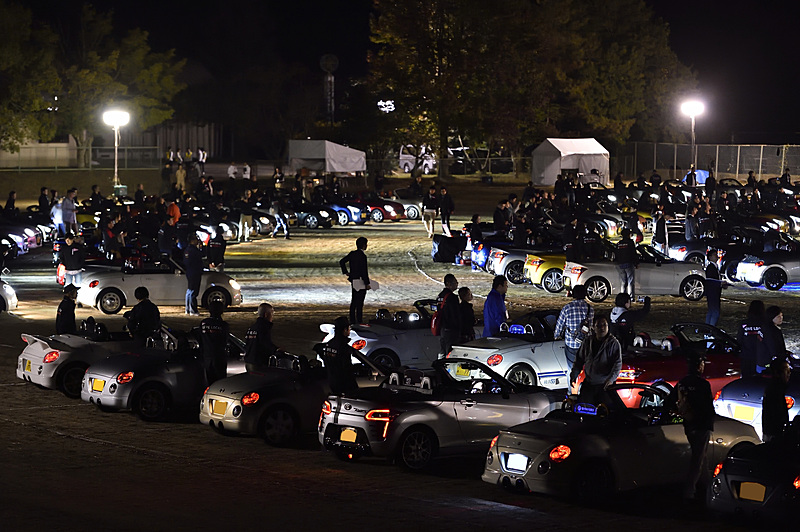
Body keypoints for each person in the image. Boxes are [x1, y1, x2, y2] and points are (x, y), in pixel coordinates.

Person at [673, 355, 715, 501]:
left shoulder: (682, 383)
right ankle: (689, 491)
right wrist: (711, 421)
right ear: (699, 366)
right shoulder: (703, 384)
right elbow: (708, 406)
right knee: (697, 459)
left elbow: (671, 401)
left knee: (702, 456)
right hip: (701, 424)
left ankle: (709, 486)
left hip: (689, 423)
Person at [569, 314, 622, 407]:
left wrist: (610, 380)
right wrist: (574, 375)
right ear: (593, 327)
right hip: (589, 384)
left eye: (604, 325)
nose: (602, 328)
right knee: (585, 410)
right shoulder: (588, 341)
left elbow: (617, 364)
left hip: (604, 386)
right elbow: (579, 360)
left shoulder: (613, 343)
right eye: (599, 325)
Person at [554, 284, 594, 372]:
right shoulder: (590, 308)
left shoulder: (567, 308)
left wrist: (556, 336)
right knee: (585, 369)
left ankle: (572, 384)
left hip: (571, 343)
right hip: (586, 343)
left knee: (571, 369)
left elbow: (559, 325)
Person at [320, 316, 359, 394]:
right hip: (344, 385)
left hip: (332, 382)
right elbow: (346, 368)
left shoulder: (329, 344)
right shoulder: (343, 347)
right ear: (345, 330)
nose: (350, 330)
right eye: (349, 328)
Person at [340, 237, 371, 325]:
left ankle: (352, 320)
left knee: (354, 301)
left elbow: (342, 262)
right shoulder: (362, 256)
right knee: (360, 302)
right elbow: (364, 271)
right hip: (360, 280)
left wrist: (346, 272)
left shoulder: (352, 254)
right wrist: (367, 283)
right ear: (364, 245)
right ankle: (359, 320)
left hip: (354, 280)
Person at [200, 301, 230, 384]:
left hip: (207, 357)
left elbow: (201, 339)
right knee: (220, 383)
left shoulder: (203, 323)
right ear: (221, 311)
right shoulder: (223, 325)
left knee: (210, 382)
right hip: (219, 357)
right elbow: (225, 340)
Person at [244, 303, 279, 372]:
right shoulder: (264, 328)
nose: (272, 317)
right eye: (271, 314)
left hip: (249, 361)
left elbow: (247, 344)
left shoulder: (252, 328)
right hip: (258, 363)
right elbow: (265, 343)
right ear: (266, 315)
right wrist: (276, 350)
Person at [762, 358, 791, 442]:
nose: (788, 374)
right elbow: (776, 413)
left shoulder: (776, 388)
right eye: (786, 371)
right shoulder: (775, 389)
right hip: (774, 434)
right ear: (777, 373)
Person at [737, 300, 767, 378]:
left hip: (746, 356)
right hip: (761, 357)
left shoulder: (744, 323)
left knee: (747, 380)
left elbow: (739, 340)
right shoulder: (765, 324)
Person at [437, 274, 461, 356]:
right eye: (455, 282)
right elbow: (455, 314)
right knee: (450, 352)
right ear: (448, 283)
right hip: (451, 329)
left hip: (442, 328)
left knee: (442, 350)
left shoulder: (440, 296)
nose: (457, 284)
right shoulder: (452, 297)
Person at [705, 248, 727, 326]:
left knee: (711, 311)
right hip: (713, 292)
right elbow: (710, 280)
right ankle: (711, 328)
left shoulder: (713, 267)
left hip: (713, 292)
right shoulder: (711, 267)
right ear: (710, 257)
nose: (717, 256)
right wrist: (720, 284)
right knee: (715, 312)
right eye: (715, 255)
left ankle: (707, 328)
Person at [183, 236, 203, 315]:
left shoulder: (187, 250)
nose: (197, 241)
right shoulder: (194, 250)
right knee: (194, 291)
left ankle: (188, 309)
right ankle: (193, 310)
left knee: (189, 290)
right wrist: (201, 247)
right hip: (195, 272)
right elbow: (201, 256)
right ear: (192, 241)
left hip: (189, 271)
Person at [763, 306, 787, 371]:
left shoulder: (765, 328)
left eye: (781, 315)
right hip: (772, 363)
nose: (781, 318)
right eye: (778, 316)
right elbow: (773, 346)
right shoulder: (773, 331)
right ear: (771, 317)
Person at [615, 228, 637, 297]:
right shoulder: (630, 242)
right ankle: (631, 297)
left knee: (623, 282)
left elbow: (617, 254)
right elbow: (633, 253)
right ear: (628, 235)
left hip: (620, 264)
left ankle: (623, 296)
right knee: (630, 281)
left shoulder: (619, 243)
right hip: (628, 263)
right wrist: (636, 263)